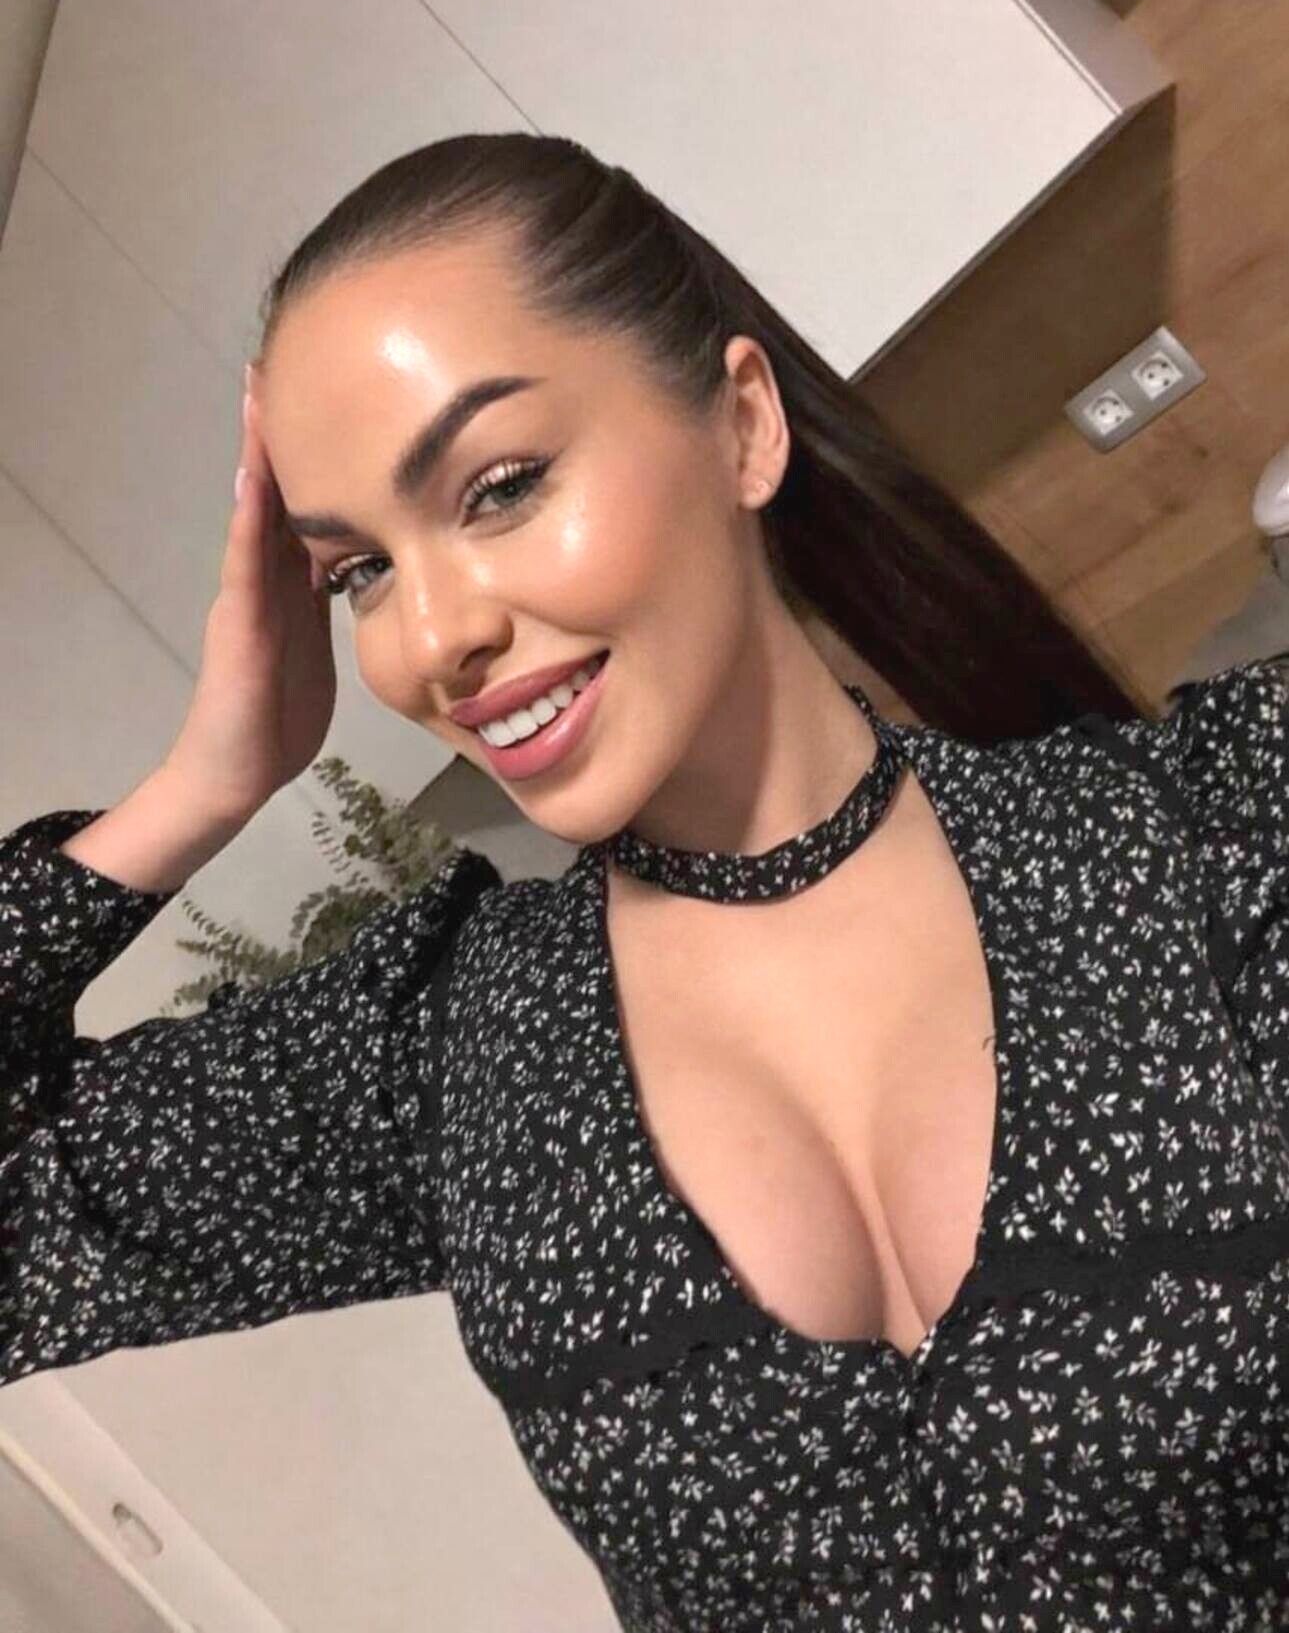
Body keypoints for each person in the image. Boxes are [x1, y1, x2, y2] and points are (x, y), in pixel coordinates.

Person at [3, 133, 1286, 1631]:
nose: (432, 636)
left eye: (499, 486)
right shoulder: (450, 1055)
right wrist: (200, 787)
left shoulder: (1210, 831)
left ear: (743, 425)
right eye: (360, 572)